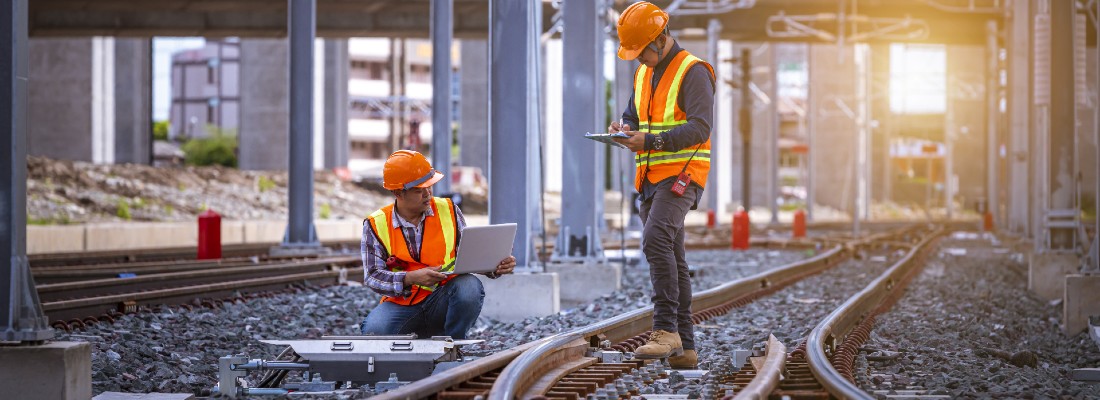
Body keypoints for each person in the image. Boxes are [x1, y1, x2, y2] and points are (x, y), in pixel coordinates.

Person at [609, 1, 715, 369]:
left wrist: (650, 142)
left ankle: (665, 329)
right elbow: (632, 115)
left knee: (655, 241)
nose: (640, 60)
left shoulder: (693, 72)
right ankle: (685, 347)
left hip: (683, 176)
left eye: (642, 52)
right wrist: (622, 129)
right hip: (650, 179)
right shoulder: (643, 74)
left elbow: (701, 127)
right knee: (673, 253)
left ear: (660, 38)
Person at [360, 150, 517, 340]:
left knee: (469, 286)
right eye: (419, 189)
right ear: (397, 192)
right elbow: (372, 277)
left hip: (444, 299)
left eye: (430, 186)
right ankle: (416, 339)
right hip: (402, 303)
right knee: (373, 332)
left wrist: (495, 266)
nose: (428, 194)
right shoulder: (376, 224)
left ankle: (453, 344)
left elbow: (468, 256)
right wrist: (410, 278)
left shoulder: (449, 210)